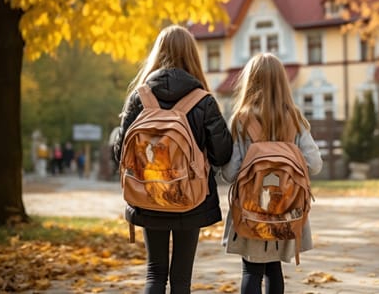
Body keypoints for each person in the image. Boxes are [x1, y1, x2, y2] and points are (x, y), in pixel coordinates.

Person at [113, 25, 233, 294]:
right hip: (189, 199)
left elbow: (120, 152)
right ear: (192, 55)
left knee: (154, 273)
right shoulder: (203, 101)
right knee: (181, 279)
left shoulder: (140, 97)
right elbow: (222, 154)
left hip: (147, 195)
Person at [221, 53, 323, 294]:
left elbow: (230, 172)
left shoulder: (241, 120)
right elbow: (315, 164)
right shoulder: (294, 119)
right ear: (282, 82)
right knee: (274, 269)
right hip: (286, 210)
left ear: (250, 82)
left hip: (250, 211)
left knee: (251, 271)